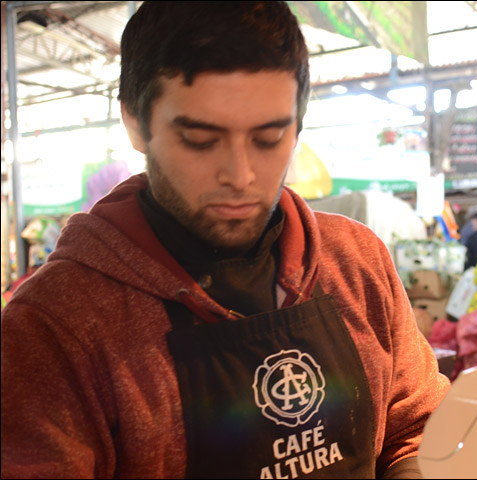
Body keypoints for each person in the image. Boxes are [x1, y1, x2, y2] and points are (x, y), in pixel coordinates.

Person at [0, 2, 450, 479]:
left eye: (269, 138)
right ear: (135, 121)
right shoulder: (54, 326)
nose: (240, 176)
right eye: (200, 139)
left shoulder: (356, 261)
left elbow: (416, 431)